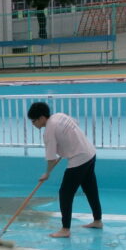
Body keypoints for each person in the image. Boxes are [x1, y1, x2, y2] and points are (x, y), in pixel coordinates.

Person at [26, 101, 102, 238]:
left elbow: (51, 158)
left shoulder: (49, 131)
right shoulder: (59, 116)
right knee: (90, 189)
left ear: (41, 118)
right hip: (90, 153)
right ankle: (97, 221)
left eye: (33, 120)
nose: (33, 124)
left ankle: (65, 229)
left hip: (79, 159)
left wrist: (47, 173)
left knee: (65, 193)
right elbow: (75, 124)